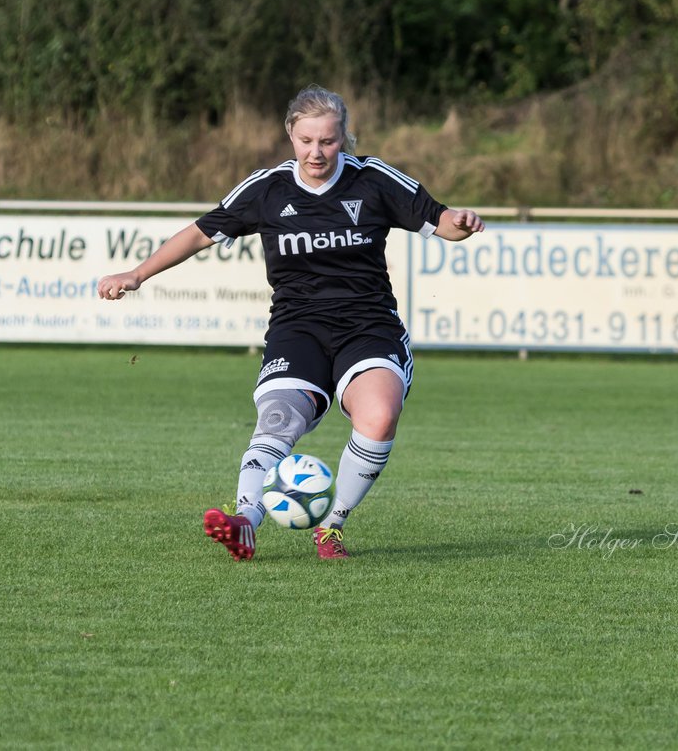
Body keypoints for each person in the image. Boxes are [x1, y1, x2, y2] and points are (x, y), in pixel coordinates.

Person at [97, 85, 484, 560]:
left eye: (328, 141)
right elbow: (200, 233)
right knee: (278, 419)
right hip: (297, 327)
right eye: (306, 141)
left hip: (368, 326)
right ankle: (246, 522)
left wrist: (459, 222)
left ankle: (333, 525)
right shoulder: (267, 188)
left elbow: (438, 220)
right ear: (290, 136)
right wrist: (136, 274)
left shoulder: (373, 179)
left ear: (344, 137)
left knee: (379, 417)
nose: (316, 152)